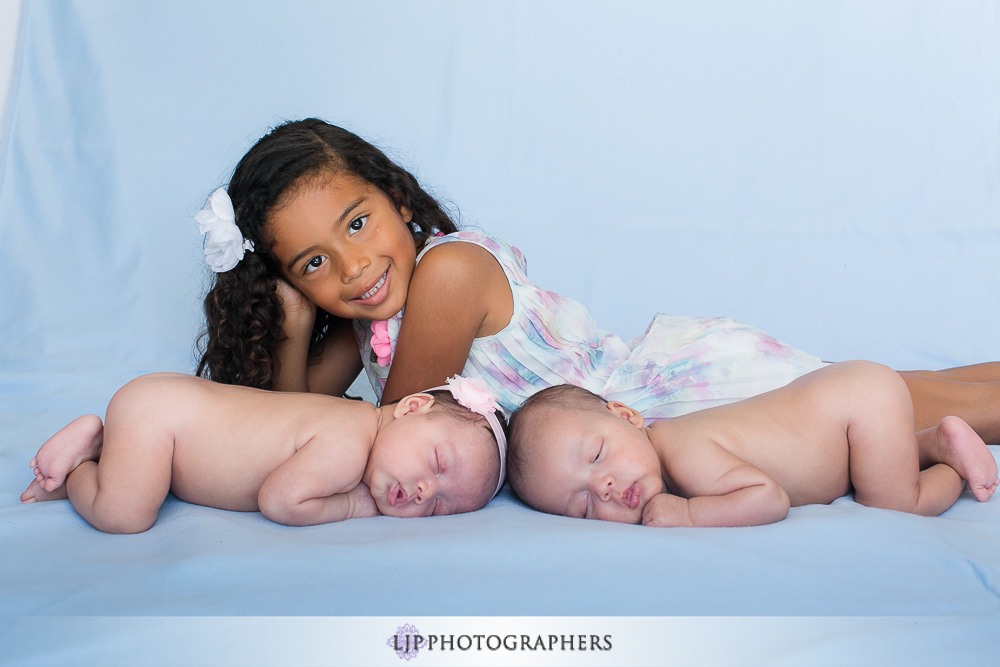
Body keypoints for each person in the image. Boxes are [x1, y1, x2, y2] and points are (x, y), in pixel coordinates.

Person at [195, 117, 1000, 445]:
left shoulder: (446, 274)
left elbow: (383, 434)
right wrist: (295, 327)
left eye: (358, 223)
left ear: (396, 198)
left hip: (673, 392)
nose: (353, 267)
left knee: (911, 403)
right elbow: (292, 426)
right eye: (313, 265)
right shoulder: (372, 325)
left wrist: (306, 323)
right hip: (643, 417)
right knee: (905, 403)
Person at [504, 361, 998, 526]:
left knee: (893, 504)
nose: (606, 486)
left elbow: (769, 498)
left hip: (859, 407)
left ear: (628, 416)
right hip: (848, 421)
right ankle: (927, 442)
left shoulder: (686, 455)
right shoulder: (669, 454)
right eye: (584, 506)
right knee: (872, 471)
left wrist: (692, 516)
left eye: (596, 456)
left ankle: (948, 460)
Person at [19, 374, 507, 533]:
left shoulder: (353, 424)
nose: (426, 490)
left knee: (138, 485)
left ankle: (109, 447)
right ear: (411, 407)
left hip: (166, 419)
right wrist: (356, 505)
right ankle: (84, 464)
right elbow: (280, 500)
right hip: (160, 418)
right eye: (438, 464)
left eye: (442, 504)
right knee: (125, 515)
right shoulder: (346, 445)